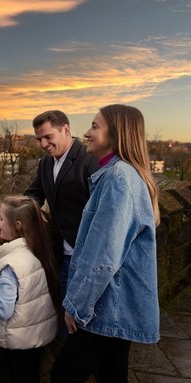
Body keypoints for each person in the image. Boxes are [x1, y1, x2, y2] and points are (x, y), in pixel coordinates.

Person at [51, 104, 160, 382]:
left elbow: (102, 257)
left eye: (95, 126)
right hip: (116, 307)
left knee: (63, 375)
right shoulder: (123, 176)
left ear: (116, 134)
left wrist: (76, 306)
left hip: (105, 307)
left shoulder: (118, 179)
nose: (86, 133)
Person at [24, 110, 100, 336]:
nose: (43, 144)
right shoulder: (45, 165)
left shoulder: (89, 158)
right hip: (62, 256)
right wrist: (33, 208)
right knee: (66, 322)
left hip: (87, 257)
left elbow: (102, 210)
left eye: (48, 137)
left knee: (87, 322)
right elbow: (33, 193)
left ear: (66, 130)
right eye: (39, 139)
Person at [0, 195, 60, 383]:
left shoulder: (10, 265)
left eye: (1, 219)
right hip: (35, 336)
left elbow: (3, 309)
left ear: (18, 224)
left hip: (20, 341)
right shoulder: (39, 250)